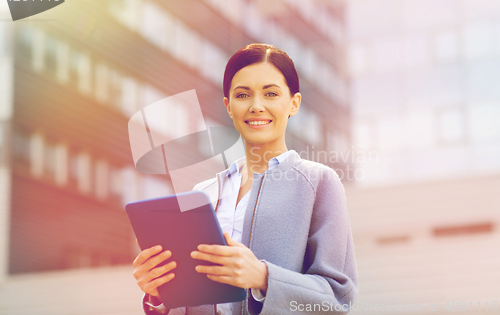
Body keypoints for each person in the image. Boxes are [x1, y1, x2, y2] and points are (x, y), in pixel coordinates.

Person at [132, 43, 358, 315]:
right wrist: (159, 296)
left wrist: (263, 278)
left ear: (293, 103)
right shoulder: (202, 193)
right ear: (228, 106)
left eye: (271, 93)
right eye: (243, 95)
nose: (256, 106)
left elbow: (337, 297)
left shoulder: (318, 182)